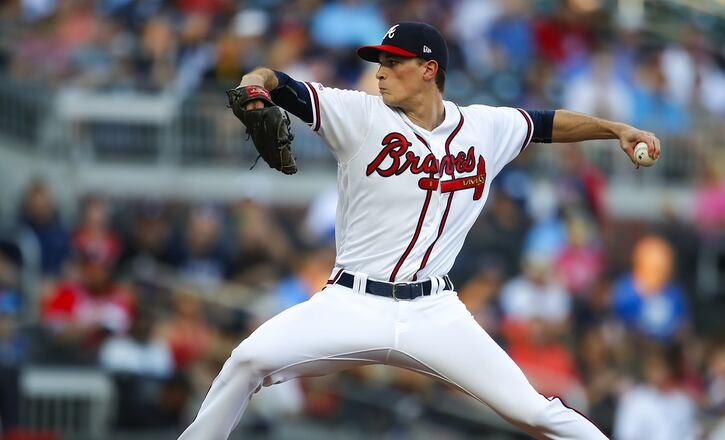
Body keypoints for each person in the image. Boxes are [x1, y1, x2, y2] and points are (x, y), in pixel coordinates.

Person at [179, 22, 660, 440]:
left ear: (430, 70)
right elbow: (275, 81)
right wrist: (253, 87)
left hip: (435, 311)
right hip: (351, 303)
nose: (381, 72)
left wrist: (616, 129)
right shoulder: (359, 114)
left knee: (533, 411)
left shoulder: (484, 127)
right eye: (380, 63)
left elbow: (547, 124)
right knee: (246, 362)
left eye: (394, 62)